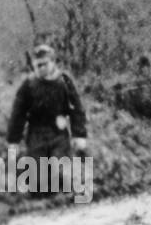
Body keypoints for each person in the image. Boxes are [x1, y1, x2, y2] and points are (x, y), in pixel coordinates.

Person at [7, 44, 89, 193]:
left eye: (45, 64)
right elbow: (18, 113)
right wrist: (13, 140)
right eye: (38, 65)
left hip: (58, 133)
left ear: (52, 62)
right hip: (36, 134)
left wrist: (79, 135)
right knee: (38, 182)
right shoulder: (28, 85)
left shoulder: (63, 81)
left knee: (61, 172)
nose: (41, 68)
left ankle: (69, 199)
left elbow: (76, 109)